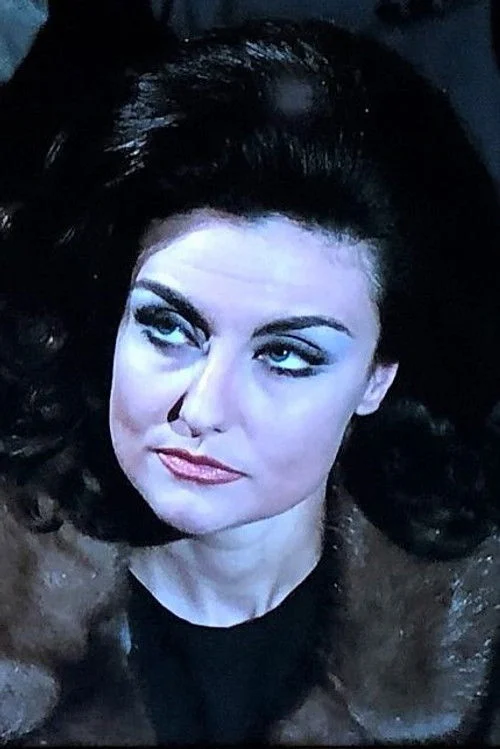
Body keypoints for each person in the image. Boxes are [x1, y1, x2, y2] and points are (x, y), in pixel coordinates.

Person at [1, 17, 500, 745]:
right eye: (168, 327)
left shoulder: (477, 648)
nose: (202, 408)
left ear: (378, 377)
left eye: (288, 356)